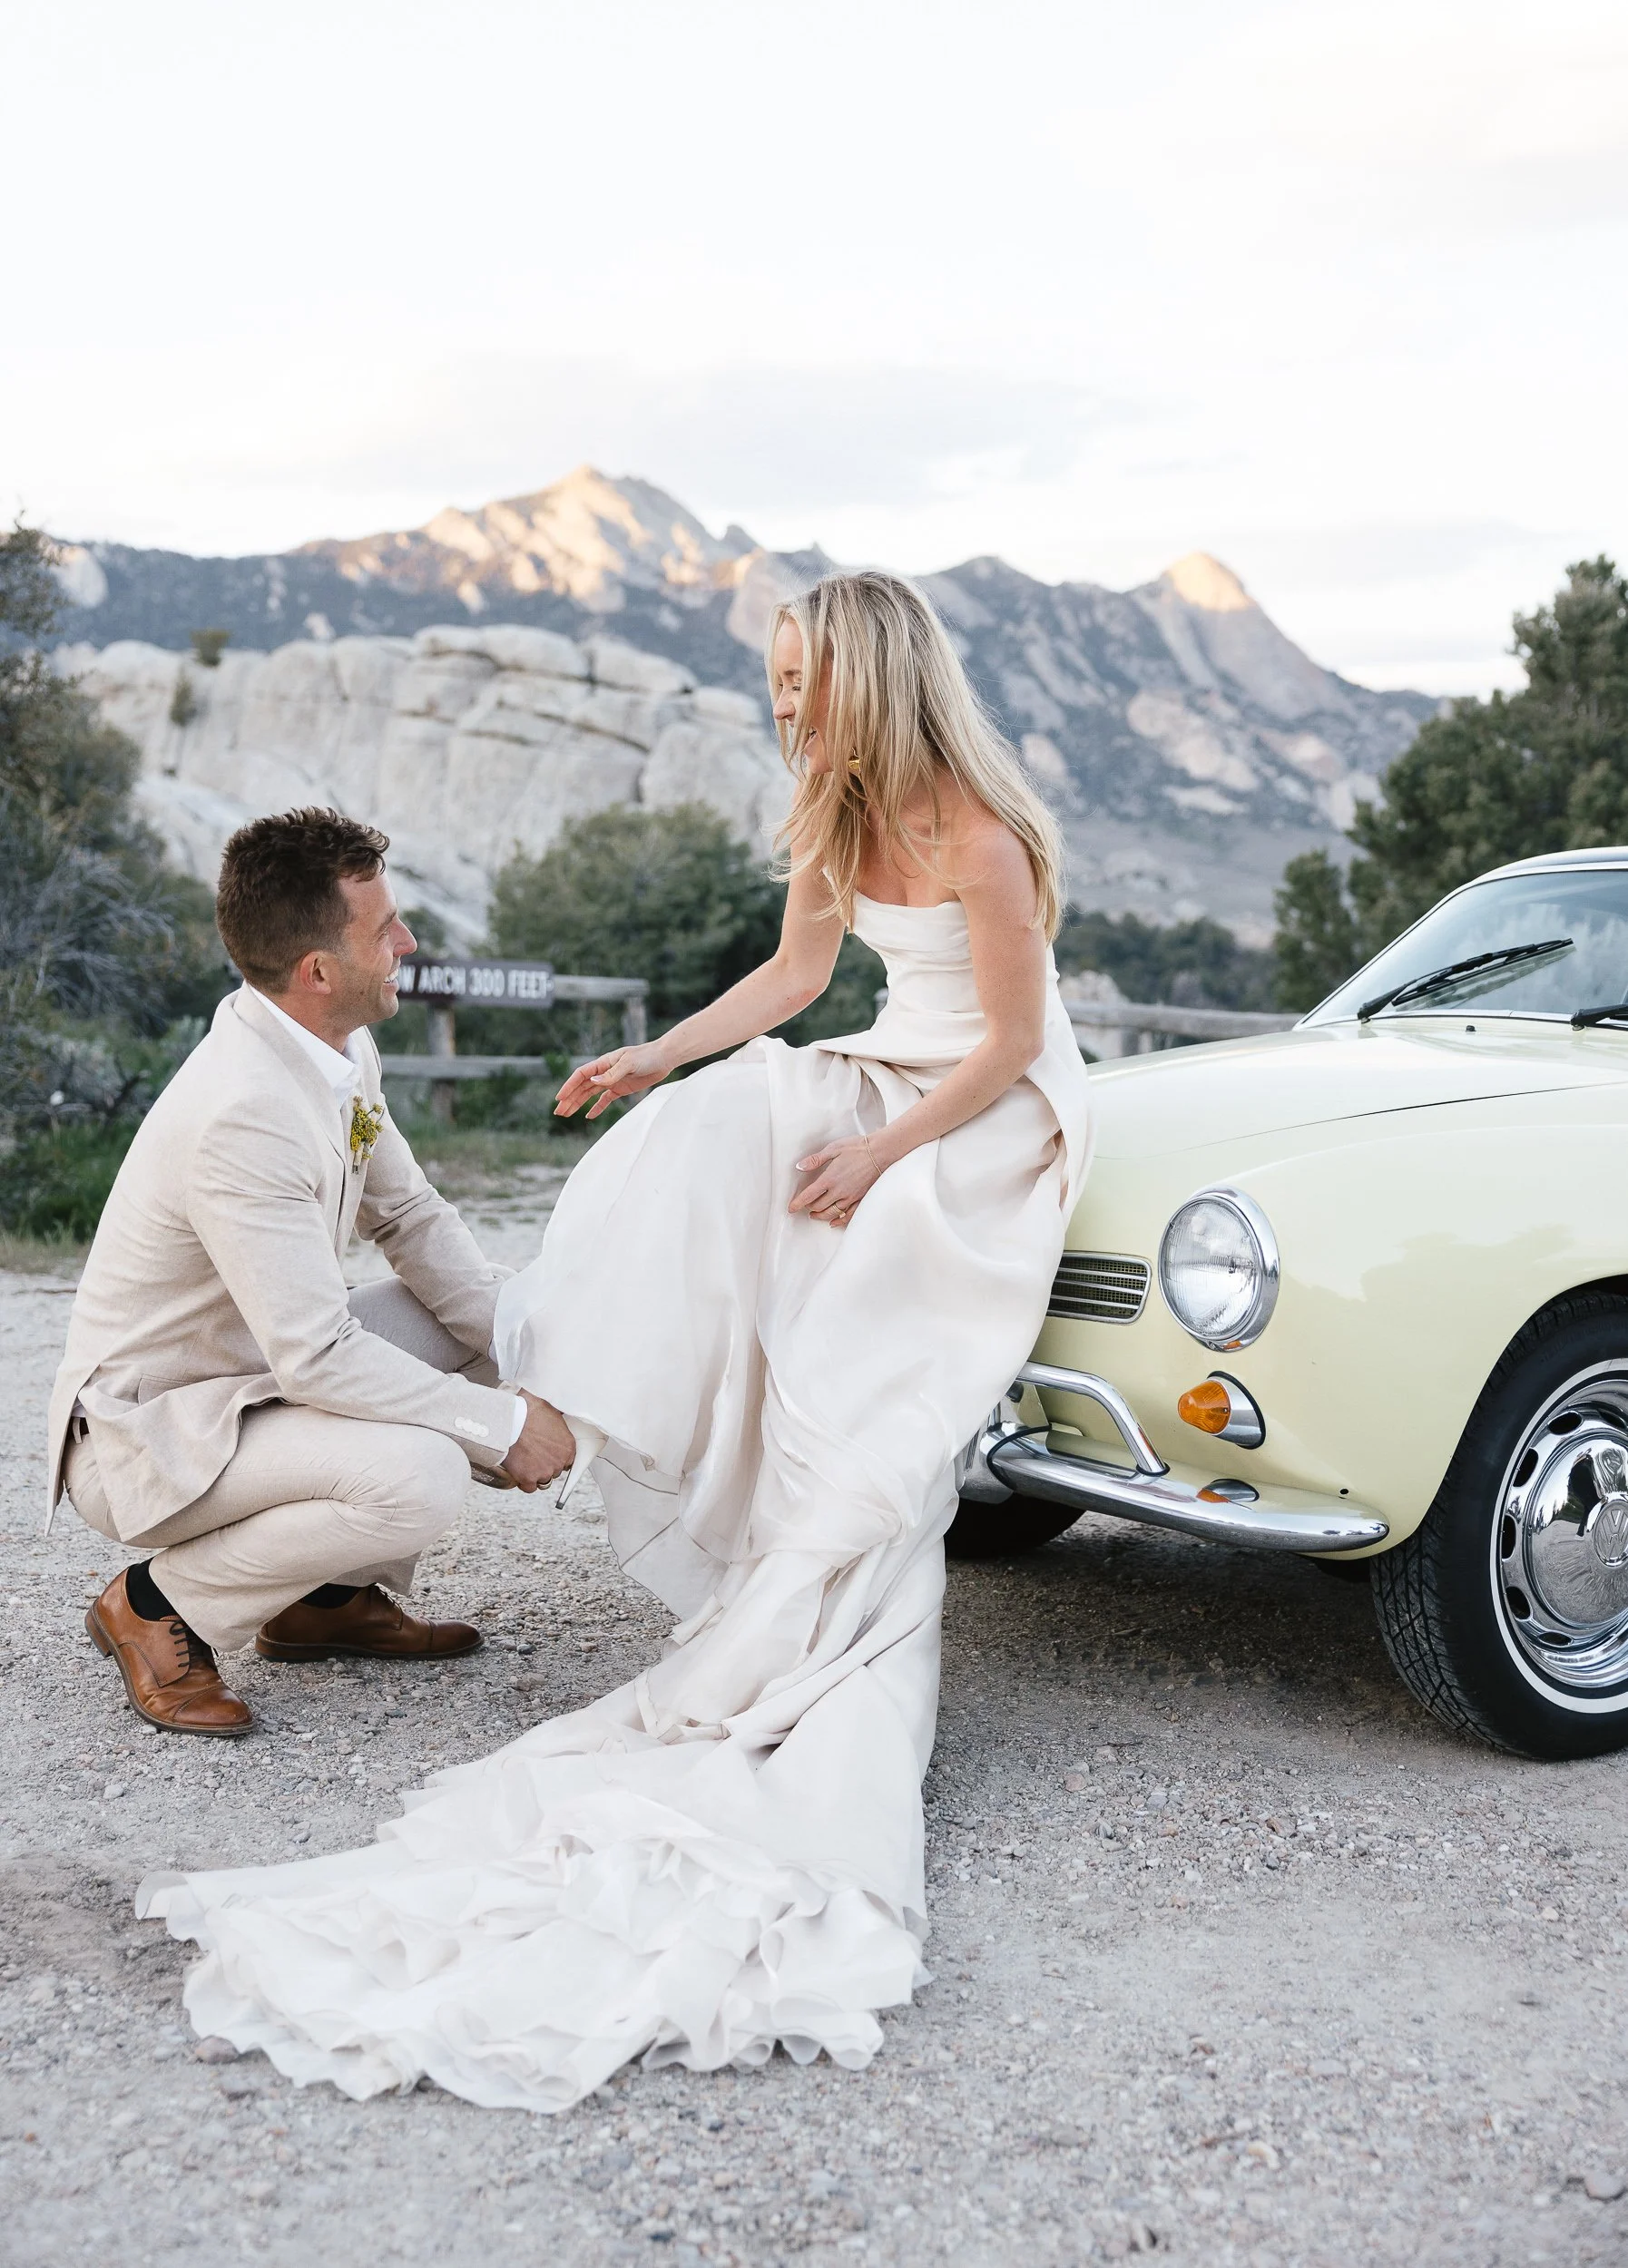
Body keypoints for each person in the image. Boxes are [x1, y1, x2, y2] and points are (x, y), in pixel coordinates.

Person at [138, 572, 1092, 2113]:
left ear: (867, 678)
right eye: (772, 678)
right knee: (716, 1117)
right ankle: (585, 1391)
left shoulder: (979, 833)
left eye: (796, 680)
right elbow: (793, 979)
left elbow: (1001, 1043)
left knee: (823, 1201)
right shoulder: (838, 820)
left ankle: (805, 1503)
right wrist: (656, 1055)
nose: (779, 705)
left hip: (984, 1122)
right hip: (889, 1082)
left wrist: (874, 1154)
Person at [51, 808, 575, 1735]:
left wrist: (536, 1348)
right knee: (421, 1475)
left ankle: (323, 1602)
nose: (408, 942)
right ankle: (156, 1602)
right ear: (318, 971)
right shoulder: (241, 1111)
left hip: (258, 1376)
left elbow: (408, 1214)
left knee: (505, 1330)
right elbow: (318, 1357)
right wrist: (503, 1431)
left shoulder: (338, 1045)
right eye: (386, 931)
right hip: (164, 1427)